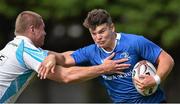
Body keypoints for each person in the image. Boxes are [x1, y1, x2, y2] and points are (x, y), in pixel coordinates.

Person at [40, 9, 174, 103]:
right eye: (93, 33)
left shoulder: (135, 42)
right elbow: (64, 58)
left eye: (102, 31)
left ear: (112, 27)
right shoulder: (91, 52)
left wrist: (155, 79)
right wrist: (52, 57)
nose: (98, 37)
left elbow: (167, 59)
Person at [0, 11, 130, 103]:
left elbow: (64, 56)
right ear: (32, 29)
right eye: (43, 29)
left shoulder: (14, 46)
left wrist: (53, 57)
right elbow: (66, 76)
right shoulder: (25, 52)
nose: (45, 33)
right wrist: (103, 68)